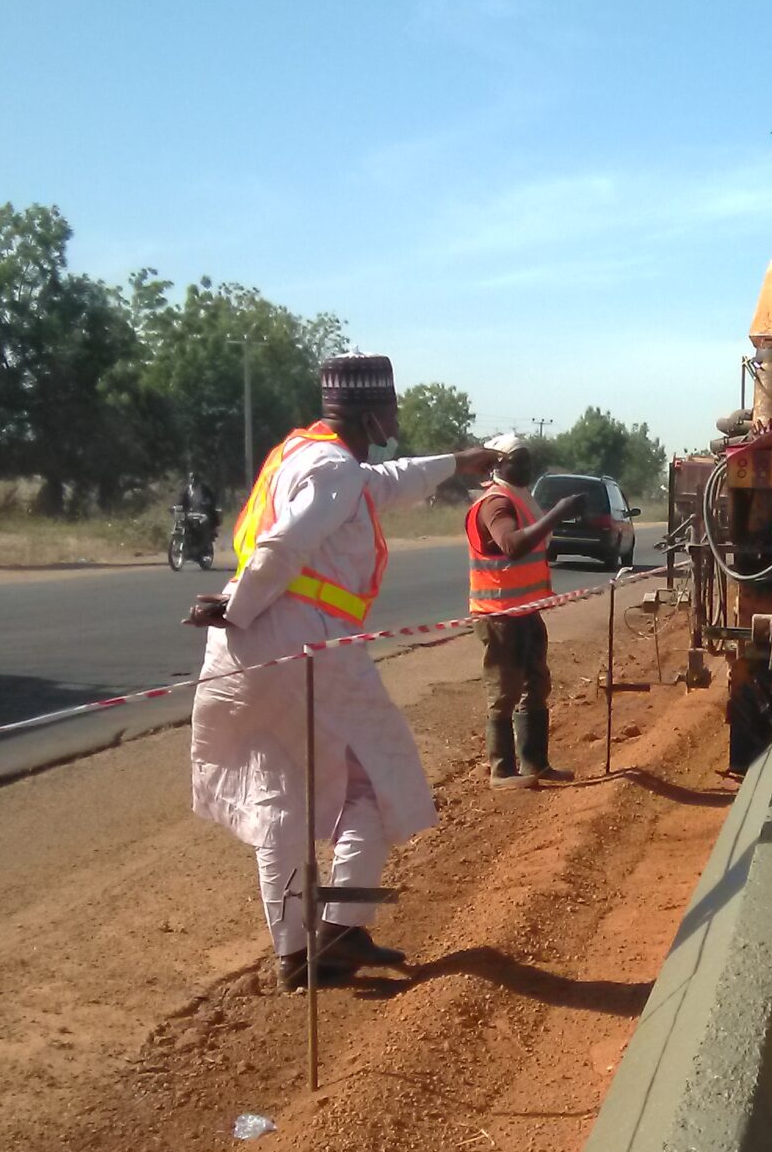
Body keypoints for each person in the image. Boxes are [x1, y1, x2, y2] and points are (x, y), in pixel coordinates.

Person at [187, 353, 499, 988]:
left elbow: (386, 482)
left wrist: (458, 464)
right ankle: (342, 929)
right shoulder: (333, 469)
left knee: (283, 796)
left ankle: (295, 954)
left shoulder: (307, 455)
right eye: (391, 404)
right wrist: (241, 604)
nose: (397, 413)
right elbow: (287, 543)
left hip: (248, 649)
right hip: (304, 642)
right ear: (371, 411)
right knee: (374, 782)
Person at [467, 433, 583, 789]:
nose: (526, 466)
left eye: (528, 459)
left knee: (536, 683)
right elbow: (513, 545)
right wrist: (559, 513)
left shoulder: (521, 499)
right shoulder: (496, 504)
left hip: (525, 609)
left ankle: (535, 764)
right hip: (499, 613)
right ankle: (501, 770)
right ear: (498, 464)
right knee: (504, 689)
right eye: (518, 459)